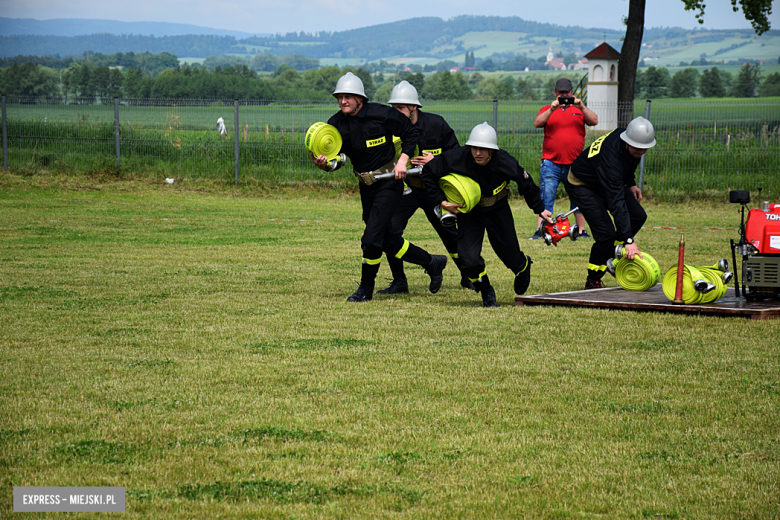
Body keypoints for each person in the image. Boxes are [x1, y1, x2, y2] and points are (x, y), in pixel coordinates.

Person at [309, 72, 447, 302]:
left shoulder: (382, 113)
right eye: (339, 97)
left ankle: (365, 289)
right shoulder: (335, 124)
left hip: (389, 182)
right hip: (366, 187)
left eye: (348, 97)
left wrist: (403, 160)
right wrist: (325, 165)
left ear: (360, 99)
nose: (343, 101)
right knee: (385, 239)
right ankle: (432, 262)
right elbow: (339, 159)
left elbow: (410, 132)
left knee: (371, 240)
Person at [421, 122, 553, 307]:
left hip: (497, 209)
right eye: (474, 148)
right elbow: (428, 172)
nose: (478, 153)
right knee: (468, 259)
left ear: (492, 151)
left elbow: (526, 184)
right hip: (470, 213)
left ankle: (523, 266)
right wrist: (441, 201)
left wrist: (540, 208)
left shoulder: (505, 161)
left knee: (510, 256)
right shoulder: (457, 157)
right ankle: (485, 290)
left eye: (483, 149)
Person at [376, 80, 475, 295]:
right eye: (394, 108)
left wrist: (436, 161)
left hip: (435, 191)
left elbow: (458, 155)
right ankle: (399, 282)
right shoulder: (390, 129)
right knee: (390, 231)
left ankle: (470, 276)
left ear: (414, 107)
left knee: (449, 233)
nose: (397, 113)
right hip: (407, 191)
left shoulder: (437, 124)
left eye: (400, 108)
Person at [564, 116, 656, 290]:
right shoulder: (611, 157)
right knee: (605, 233)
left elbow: (629, 163)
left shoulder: (632, 142)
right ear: (627, 142)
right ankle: (593, 280)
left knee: (638, 215)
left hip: (604, 180)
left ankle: (613, 255)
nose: (642, 152)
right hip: (582, 185)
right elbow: (616, 202)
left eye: (645, 149)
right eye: (638, 148)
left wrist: (631, 184)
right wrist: (629, 240)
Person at [529, 77, 598, 240]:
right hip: (551, 163)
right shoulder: (547, 109)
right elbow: (537, 123)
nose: (564, 96)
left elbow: (594, 121)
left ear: (572, 93)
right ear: (555, 93)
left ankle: (581, 231)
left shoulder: (580, 109)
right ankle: (541, 230)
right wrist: (552, 109)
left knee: (579, 197)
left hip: (575, 165)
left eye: (567, 93)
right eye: (561, 93)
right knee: (546, 197)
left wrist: (581, 106)